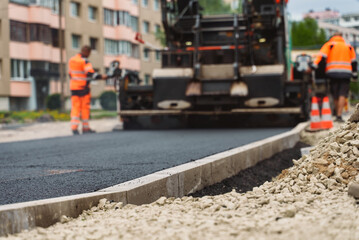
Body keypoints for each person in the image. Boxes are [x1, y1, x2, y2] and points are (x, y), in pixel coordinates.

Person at [312, 32, 357, 122]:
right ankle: (339, 115)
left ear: (333, 37)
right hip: (346, 73)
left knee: (335, 94)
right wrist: (354, 74)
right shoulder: (348, 46)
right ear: (341, 37)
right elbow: (354, 61)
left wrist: (314, 65)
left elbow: (321, 56)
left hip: (332, 73)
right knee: (342, 94)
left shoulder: (329, 45)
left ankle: (337, 114)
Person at [68, 45, 108, 135]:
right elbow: (91, 74)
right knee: (85, 108)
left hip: (74, 88)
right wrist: (102, 77)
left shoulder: (72, 60)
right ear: (87, 52)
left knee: (75, 108)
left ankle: (74, 128)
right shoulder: (84, 61)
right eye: (89, 53)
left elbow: (70, 74)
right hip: (83, 88)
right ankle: (85, 128)